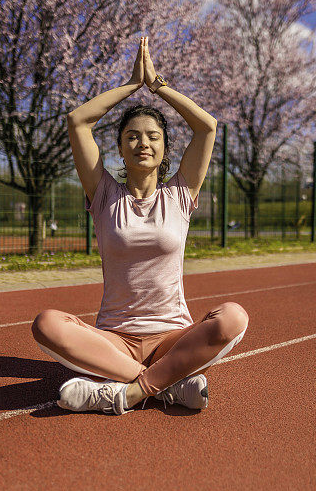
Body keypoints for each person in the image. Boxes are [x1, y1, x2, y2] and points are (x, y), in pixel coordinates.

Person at [31, 37, 249, 415]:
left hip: (173, 338)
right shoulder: (103, 195)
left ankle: (126, 393)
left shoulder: (181, 195)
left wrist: (158, 85)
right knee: (46, 324)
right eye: (132, 136)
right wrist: (132, 85)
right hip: (114, 339)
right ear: (119, 147)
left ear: (165, 148)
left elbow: (207, 127)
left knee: (234, 318)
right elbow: (78, 121)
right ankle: (166, 386)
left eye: (153, 136)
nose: (142, 143)